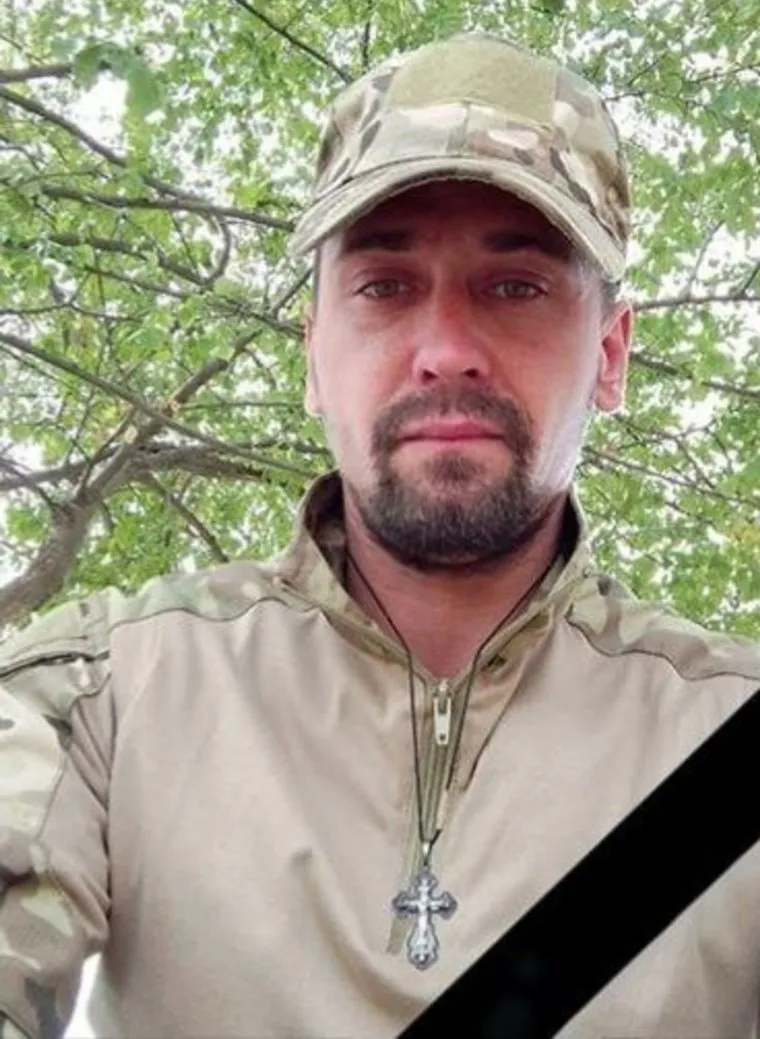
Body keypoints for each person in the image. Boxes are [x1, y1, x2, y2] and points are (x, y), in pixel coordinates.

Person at [0, 31, 758, 1039]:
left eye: (515, 287)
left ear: (610, 355)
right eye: (383, 286)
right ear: (313, 355)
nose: (446, 351)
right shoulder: (100, 699)